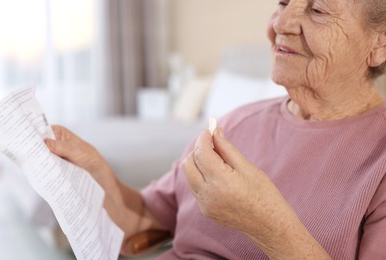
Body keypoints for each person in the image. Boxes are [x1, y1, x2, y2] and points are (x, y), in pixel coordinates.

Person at [45, 0, 386, 259]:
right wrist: (94, 170)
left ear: (379, 45)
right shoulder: (236, 123)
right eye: (283, 2)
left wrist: (268, 225)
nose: (281, 22)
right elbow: (146, 222)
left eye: (319, 10)